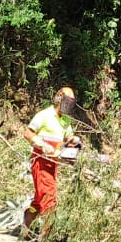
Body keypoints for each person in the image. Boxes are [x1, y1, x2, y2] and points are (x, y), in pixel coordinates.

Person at [22, 86, 82, 232]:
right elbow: (28, 133)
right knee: (48, 197)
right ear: (59, 98)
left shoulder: (65, 120)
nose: (68, 105)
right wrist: (42, 145)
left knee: (39, 199)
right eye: (67, 101)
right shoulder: (44, 115)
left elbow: (69, 137)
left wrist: (74, 141)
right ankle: (46, 235)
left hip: (53, 163)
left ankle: (26, 226)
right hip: (40, 161)